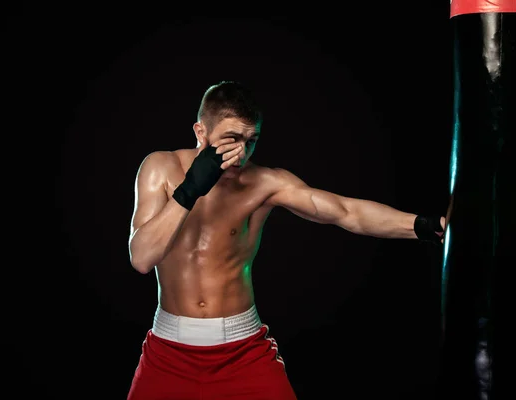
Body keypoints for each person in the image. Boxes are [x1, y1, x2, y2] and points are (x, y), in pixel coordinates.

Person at [126, 81, 445, 400]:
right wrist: (191, 189)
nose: (241, 154)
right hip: (168, 354)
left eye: (251, 141)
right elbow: (141, 258)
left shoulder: (264, 182)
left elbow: (344, 211)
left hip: (243, 351)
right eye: (231, 139)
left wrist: (421, 225)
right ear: (201, 132)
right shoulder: (161, 168)